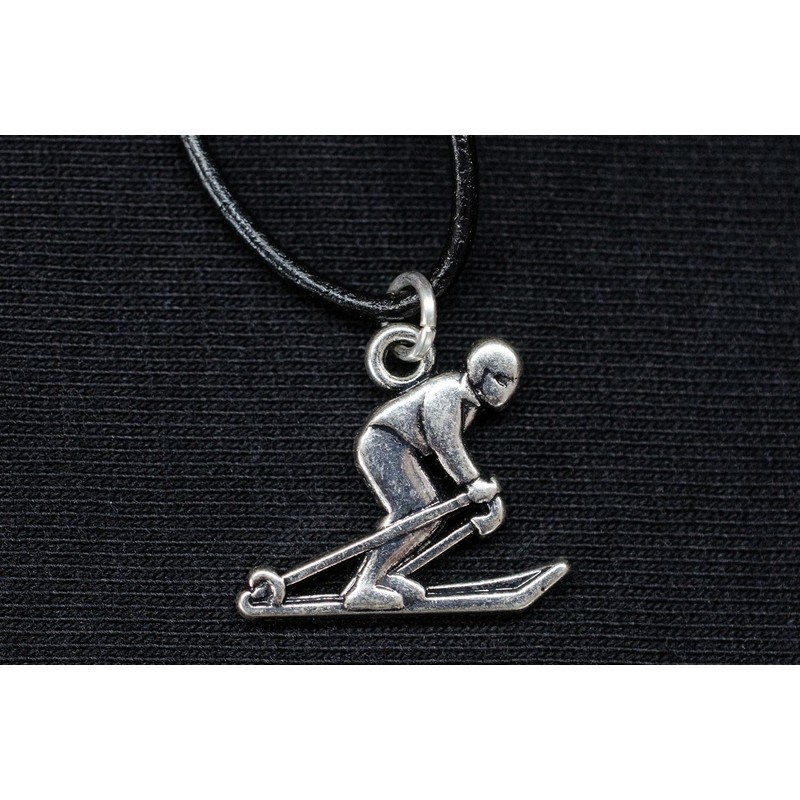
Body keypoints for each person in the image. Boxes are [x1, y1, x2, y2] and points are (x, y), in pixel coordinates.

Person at [343, 339, 521, 610]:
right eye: (501, 380)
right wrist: (472, 482)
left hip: (398, 445)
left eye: (512, 382)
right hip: (384, 442)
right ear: (480, 373)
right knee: (418, 512)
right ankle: (364, 586)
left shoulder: (467, 402)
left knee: (425, 515)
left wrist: (472, 484)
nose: (507, 389)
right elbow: (445, 443)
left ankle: (382, 577)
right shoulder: (449, 392)